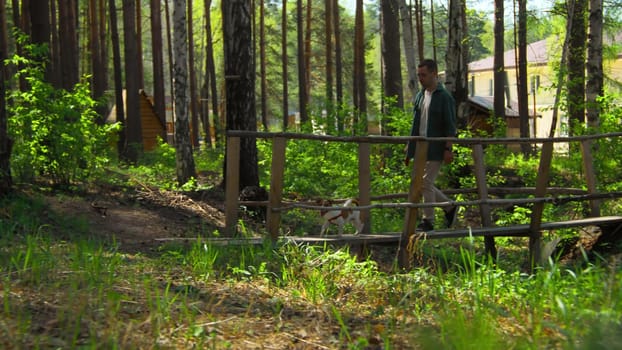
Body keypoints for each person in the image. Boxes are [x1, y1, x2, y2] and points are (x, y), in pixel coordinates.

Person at [404, 59, 457, 231]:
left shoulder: (444, 98)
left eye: (424, 75)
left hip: (436, 147)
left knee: (425, 182)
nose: (420, 78)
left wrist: (448, 149)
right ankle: (449, 207)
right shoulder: (420, 96)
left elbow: (450, 126)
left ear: (434, 74)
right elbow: (416, 124)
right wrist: (409, 150)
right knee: (419, 183)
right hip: (420, 147)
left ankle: (429, 220)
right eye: (419, 75)